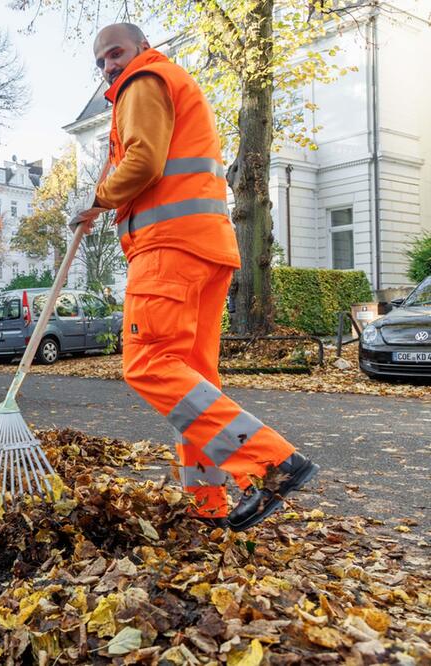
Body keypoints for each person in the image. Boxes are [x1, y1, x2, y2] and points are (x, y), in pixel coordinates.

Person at [71, 23, 318, 531]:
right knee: (194, 383)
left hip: (168, 249)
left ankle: (271, 462)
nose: (108, 66)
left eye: (114, 53)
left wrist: (97, 199)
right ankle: (209, 503)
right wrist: (101, 201)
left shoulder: (142, 82)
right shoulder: (169, 84)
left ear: (140, 48)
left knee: (147, 364)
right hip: (206, 249)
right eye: (100, 62)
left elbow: (142, 162)